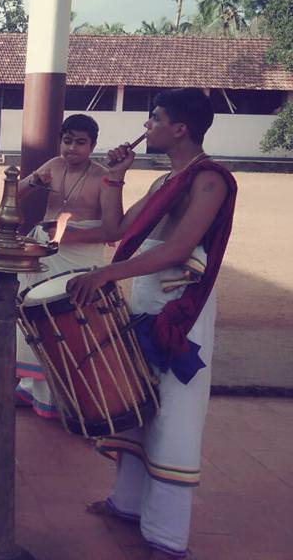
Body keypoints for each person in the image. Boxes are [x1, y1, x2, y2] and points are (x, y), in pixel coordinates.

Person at [67, 89, 236, 559]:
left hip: (181, 311)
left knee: (175, 416)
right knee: (139, 403)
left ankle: (166, 537)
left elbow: (179, 248)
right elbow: (118, 229)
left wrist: (105, 273)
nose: (147, 125)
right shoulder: (168, 180)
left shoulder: (209, 180)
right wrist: (115, 178)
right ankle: (127, 504)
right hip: (147, 301)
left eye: (155, 117)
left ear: (179, 128)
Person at [13, 114, 121, 417]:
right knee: (35, 316)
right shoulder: (53, 166)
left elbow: (113, 231)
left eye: (80, 143)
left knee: (69, 325)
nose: (72, 148)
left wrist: (71, 236)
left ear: (93, 145)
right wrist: (33, 182)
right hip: (45, 253)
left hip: (79, 258)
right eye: (67, 140)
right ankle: (29, 388)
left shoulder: (103, 176)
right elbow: (13, 193)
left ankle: (64, 402)